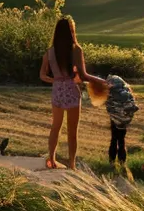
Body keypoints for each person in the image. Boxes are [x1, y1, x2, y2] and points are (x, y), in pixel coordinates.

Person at [39, 16, 104, 169]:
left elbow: (42, 75)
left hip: (57, 91)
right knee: (72, 130)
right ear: (71, 31)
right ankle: (72, 164)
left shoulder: (50, 52)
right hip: (71, 90)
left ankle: (52, 159)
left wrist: (55, 80)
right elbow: (83, 75)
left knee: (55, 126)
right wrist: (101, 81)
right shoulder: (76, 50)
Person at [104, 74, 138, 164]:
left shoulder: (111, 91)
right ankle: (122, 163)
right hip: (124, 119)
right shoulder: (126, 90)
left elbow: (108, 105)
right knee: (122, 141)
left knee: (114, 139)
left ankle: (111, 163)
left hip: (114, 118)